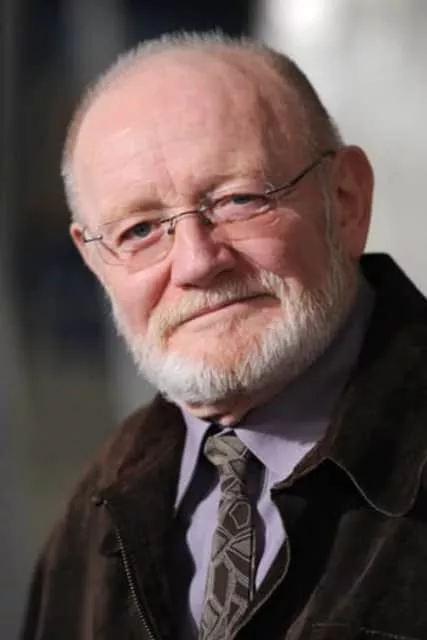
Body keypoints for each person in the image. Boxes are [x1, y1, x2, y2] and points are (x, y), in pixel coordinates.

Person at [21, 32, 427, 640]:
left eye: (239, 199)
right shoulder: (96, 511)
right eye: (139, 230)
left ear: (345, 200)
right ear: (96, 261)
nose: (196, 262)